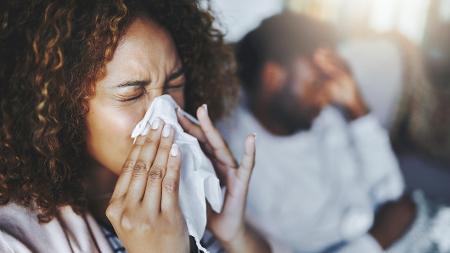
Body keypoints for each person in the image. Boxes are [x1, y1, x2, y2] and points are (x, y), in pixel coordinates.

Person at [0, 1, 270, 252]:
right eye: (132, 95)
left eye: (174, 85)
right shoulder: (15, 241)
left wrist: (235, 233)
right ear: (62, 107)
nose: (166, 115)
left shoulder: (193, 196)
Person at [218, 12, 418, 252]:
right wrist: (377, 238)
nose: (326, 96)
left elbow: (391, 192)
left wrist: (357, 109)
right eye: (316, 82)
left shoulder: (320, 118)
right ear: (272, 77)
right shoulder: (237, 162)